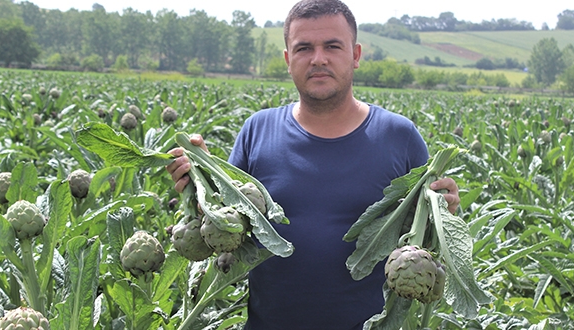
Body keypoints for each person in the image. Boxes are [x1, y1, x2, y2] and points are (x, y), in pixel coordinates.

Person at [166, 0, 460, 328]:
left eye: (332, 46)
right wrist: (202, 177)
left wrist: (443, 212)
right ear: (289, 60)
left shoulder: (399, 137)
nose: (318, 58)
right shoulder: (256, 130)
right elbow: (234, 230)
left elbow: (426, 235)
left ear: (356, 55)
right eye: (304, 48)